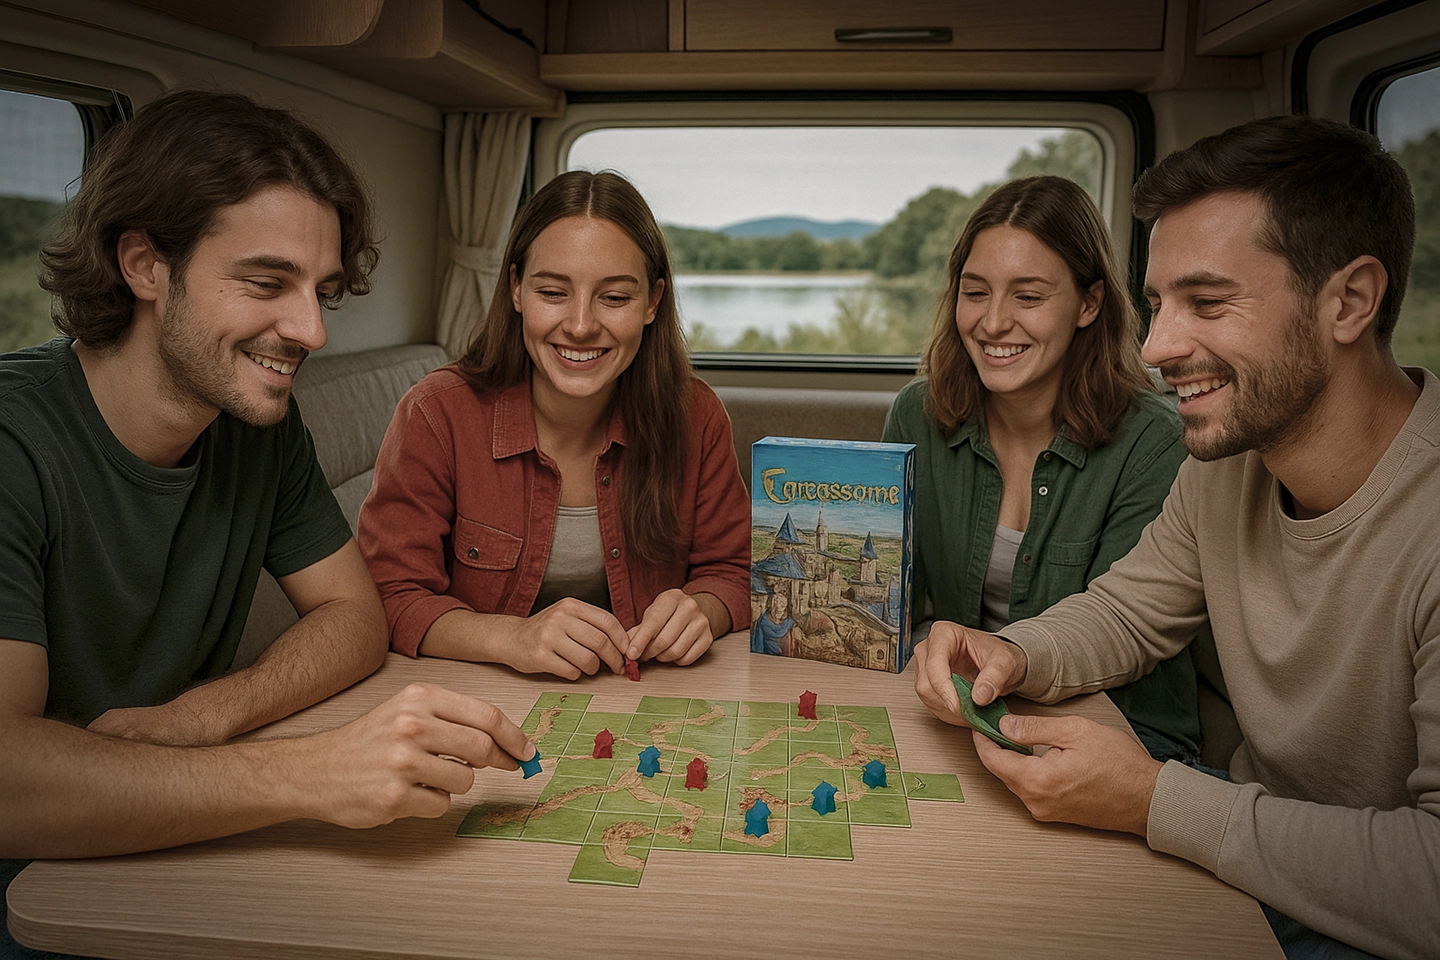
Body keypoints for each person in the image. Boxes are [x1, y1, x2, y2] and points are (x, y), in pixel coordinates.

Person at [0, 90, 535, 934]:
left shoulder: (257, 425)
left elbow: (355, 617)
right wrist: (308, 775)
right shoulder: (13, 443)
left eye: (322, 290)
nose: (312, 331)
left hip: (174, 848)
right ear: (144, 265)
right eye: (265, 282)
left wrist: (200, 716)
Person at [913, 116, 1439, 960]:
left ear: (1349, 301)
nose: (1156, 348)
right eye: (1158, 304)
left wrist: (1153, 799)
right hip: (1245, 855)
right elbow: (1127, 613)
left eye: (1208, 303)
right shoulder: (1231, 460)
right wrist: (1011, 652)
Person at [358, 170, 751, 680]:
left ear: (653, 303)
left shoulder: (697, 417)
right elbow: (390, 594)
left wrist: (703, 611)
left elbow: (734, 572)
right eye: (552, 292)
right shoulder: (436, 415)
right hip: (476, 695)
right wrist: (511, 637)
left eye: (615, 298)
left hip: (649, 693)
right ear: (516, 290)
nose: (581, 325)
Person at [883, 176, 1199, 763]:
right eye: (975, 293)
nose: (992, 323)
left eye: (1027, 297)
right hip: (963, 714)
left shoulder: (1155, 442)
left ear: (1089, 304)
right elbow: (891, 599)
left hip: (1121, 733)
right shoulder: (917, 414)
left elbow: (1119, 631)